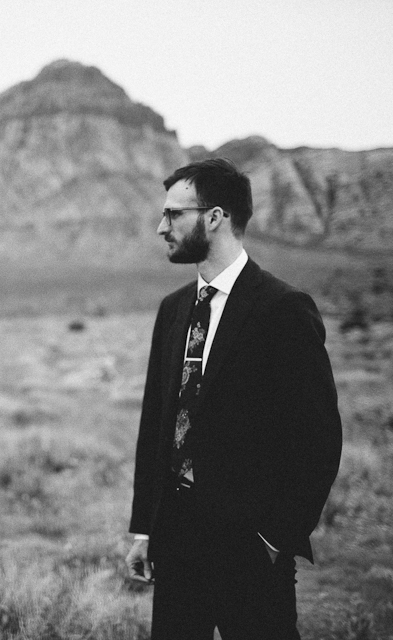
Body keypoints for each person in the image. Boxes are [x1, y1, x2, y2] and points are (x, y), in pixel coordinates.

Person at [125, 159, 342, 639]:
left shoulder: (282, 309)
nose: (162, 228)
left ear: (215, 217)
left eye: (174, 215)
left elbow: (318, 437)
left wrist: (274, 538)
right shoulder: (173, 309)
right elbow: (155, 427)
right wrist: (145, 528)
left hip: (250, 546)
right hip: (176, 539)